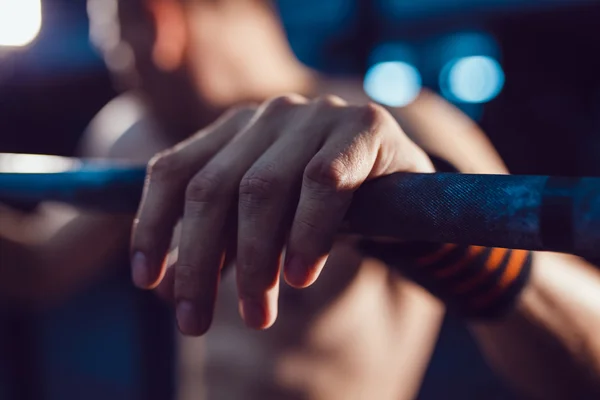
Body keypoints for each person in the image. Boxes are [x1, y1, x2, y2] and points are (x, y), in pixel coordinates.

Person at [1, 1, 600, 399]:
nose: (119, 74)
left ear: (160, 25)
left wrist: (443, 224)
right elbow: (40, 269)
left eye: (114, 44)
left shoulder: (406, 133)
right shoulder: (140, 135)